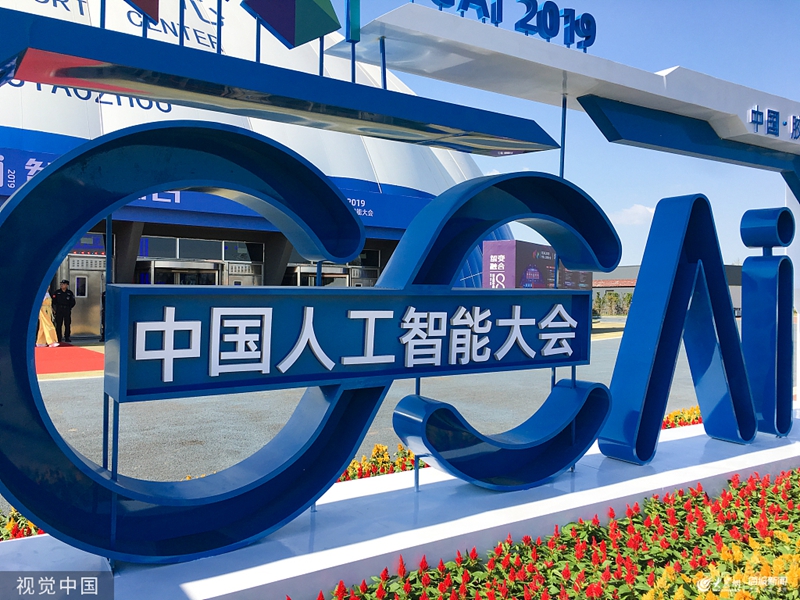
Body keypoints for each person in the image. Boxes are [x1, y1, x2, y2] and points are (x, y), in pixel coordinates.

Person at [52, 279, 76, 343]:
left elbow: (73, 302)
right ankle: (58, 337)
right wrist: (55, 309)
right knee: (58, 324)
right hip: (59, 310)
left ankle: (67, 337)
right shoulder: (57, 292)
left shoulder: (69, 293)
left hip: (66, 310)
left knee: (67, 324)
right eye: (61, 284)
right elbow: (53, 301)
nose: (62, 285)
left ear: (67, 285)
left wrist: (69, 308)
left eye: (63, 284)